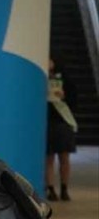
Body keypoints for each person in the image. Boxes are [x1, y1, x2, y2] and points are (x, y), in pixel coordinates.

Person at [46, 66, 77, 202]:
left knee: (64, 157)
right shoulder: (39, 77)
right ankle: (51, 189)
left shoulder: (65, 79)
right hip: (47, 121)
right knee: (49, 158)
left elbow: (74, 100)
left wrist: (64, 97)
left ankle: (64, 188)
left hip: (63, 122)